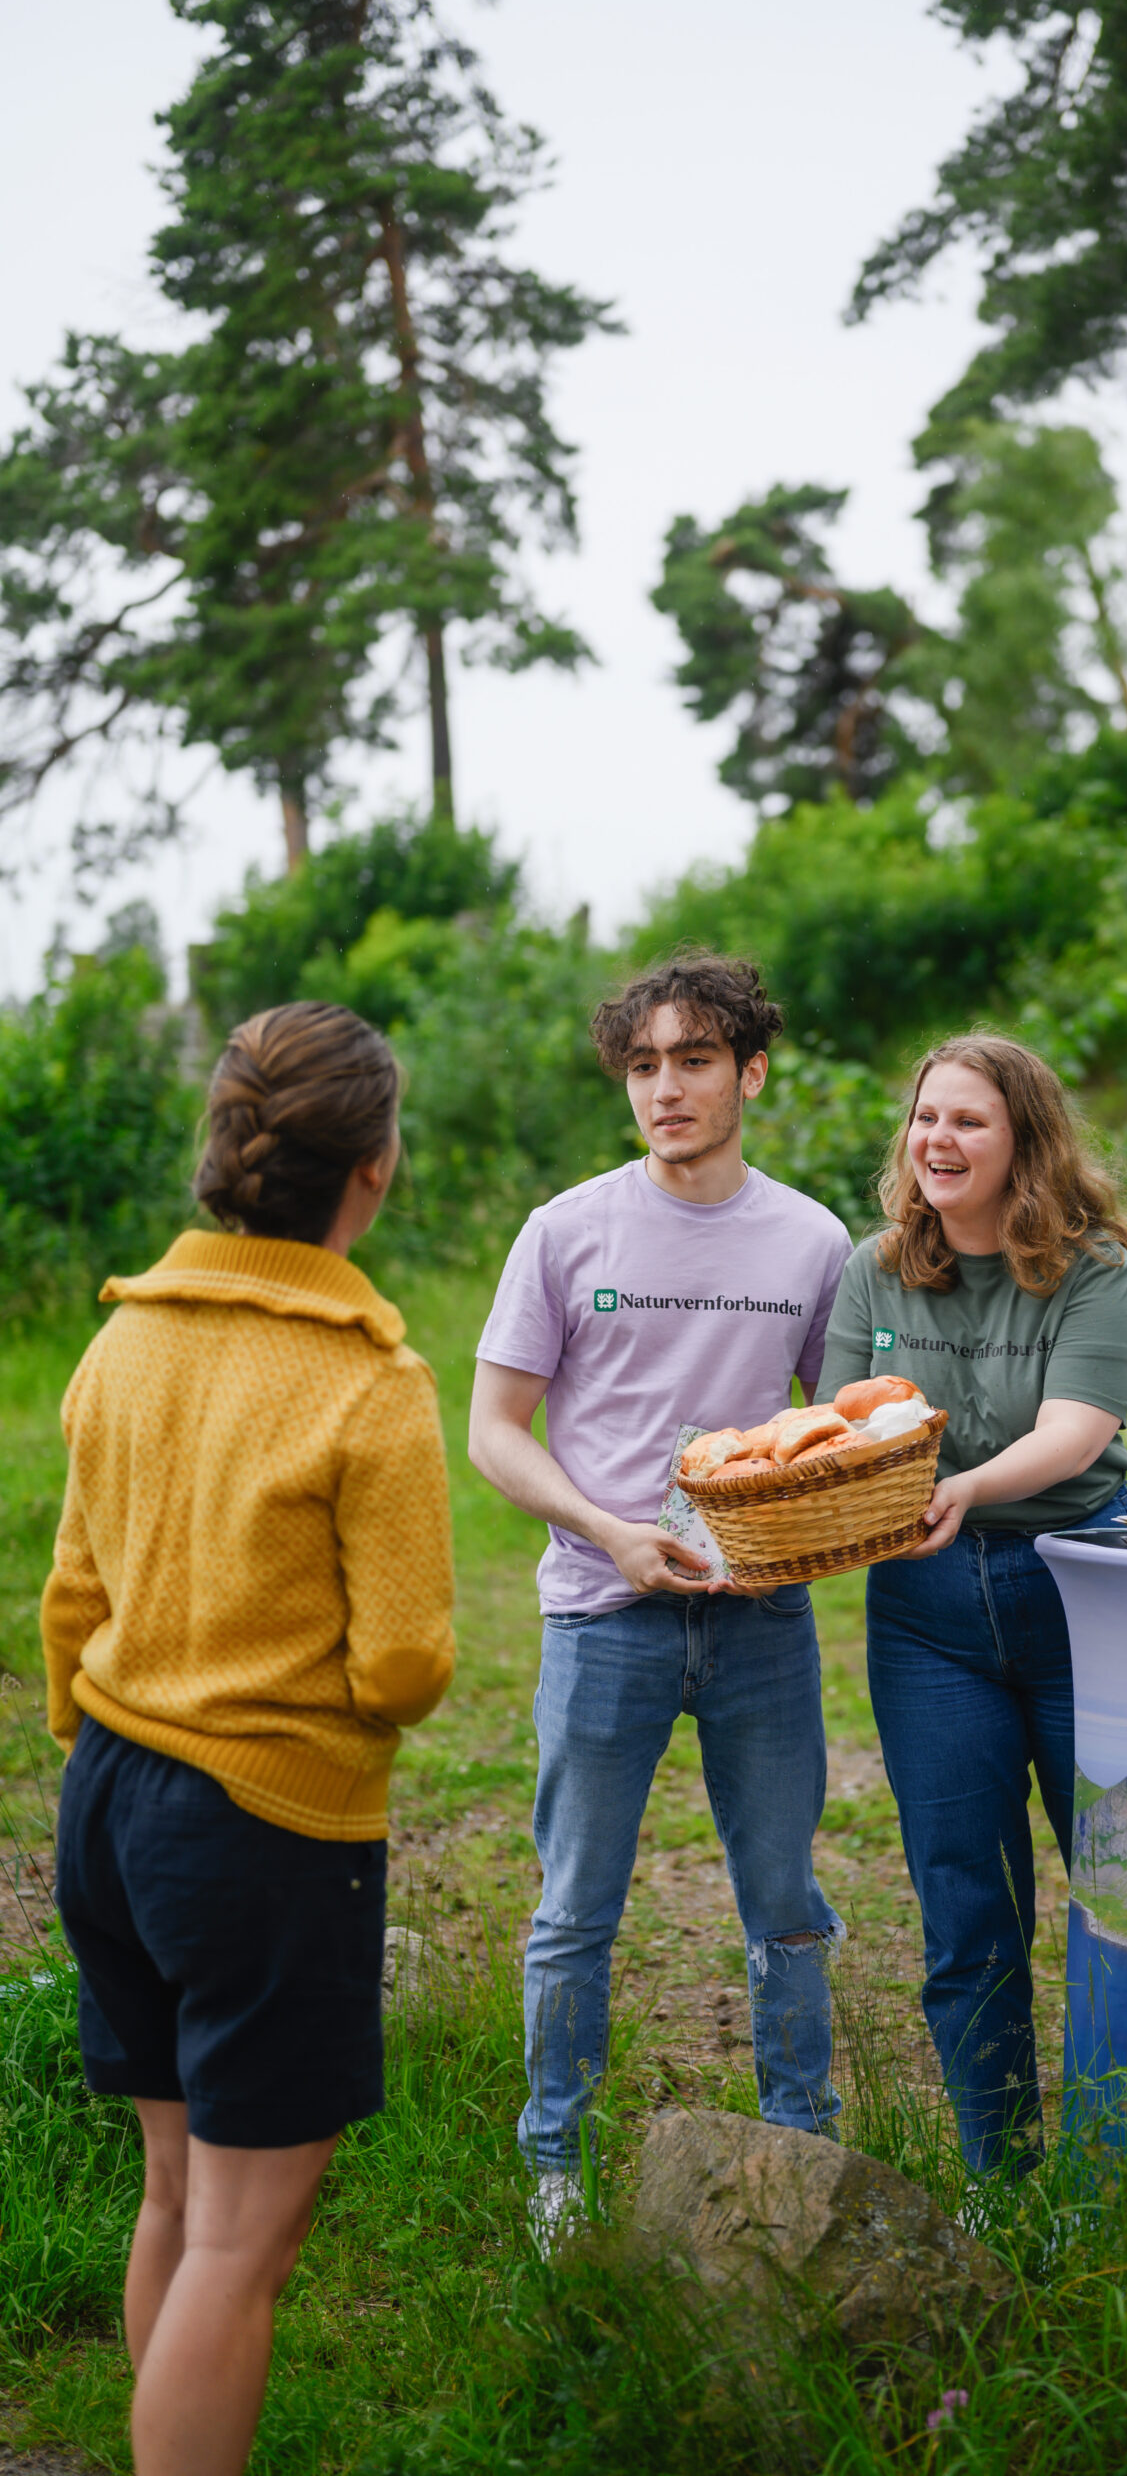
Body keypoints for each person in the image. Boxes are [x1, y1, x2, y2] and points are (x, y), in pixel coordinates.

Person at [41, 1001, 456, 2476]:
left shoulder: (124, 1341)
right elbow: (403, 1667)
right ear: (376, 1169)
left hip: (105, 1800)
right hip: (263, 1838)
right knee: (239, 2247)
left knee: (173, 2198)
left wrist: (105, 1752)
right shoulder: (369, 1383)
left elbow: (70, 1596)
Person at [468, 954, 852, 2235]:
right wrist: (606, 1529)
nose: (665, 1088)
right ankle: (556, 2172)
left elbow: (840, 1425)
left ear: (749, 1072)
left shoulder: (811, 1240)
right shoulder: (567, 1229)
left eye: (693, 1060)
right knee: (575, 1908)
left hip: (759, 1622)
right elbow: (493, 1429)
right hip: (601, 1610)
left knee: (785, 1907)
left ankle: (803, 2153)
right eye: (643, 1064)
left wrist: (810, 1523)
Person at [817, 1033, 1127, 2180]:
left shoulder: (1090, 1265)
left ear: (1024, 1143)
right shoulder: (874, 1268)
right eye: (925, 1118)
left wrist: (961, 1482)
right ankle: (1001, 2181)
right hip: (924, 1618)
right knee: (966, 1912)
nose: (938, 1140)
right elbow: (841, 1421)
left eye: (968, 1121)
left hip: (1078, 1595)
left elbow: (1075, 1432)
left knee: (1125, 1896)